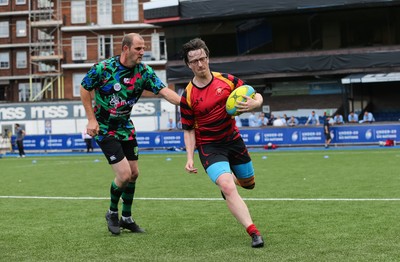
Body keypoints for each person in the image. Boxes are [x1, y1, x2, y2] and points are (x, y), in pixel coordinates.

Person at [80, 33, 181, 235]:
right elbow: (84, 88)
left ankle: (126, 218)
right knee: (124, 174)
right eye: (138, 48)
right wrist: (91, 119)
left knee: (134, 174)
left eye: (143, 48)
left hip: (125, 127)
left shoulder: (144, 72)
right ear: (125, 48)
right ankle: (111, 212)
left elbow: (164, 91)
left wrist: (188, 104)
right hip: (104, 128)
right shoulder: (104, 68)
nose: (143, 52)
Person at [180, 38, 264, 248]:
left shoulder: (226, 80)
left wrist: (256, 103)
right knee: (227, 186)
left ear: (208, 57)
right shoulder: (188, 95)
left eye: (202, 58)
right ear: (188, 64)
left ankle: (229, 181)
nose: (200, 64)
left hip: (233, 140)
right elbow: (188, 129)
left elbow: (255, 94)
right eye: (194, 61)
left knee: (249, 184)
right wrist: (189, 157)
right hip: (209, 146)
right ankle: (254, 232)